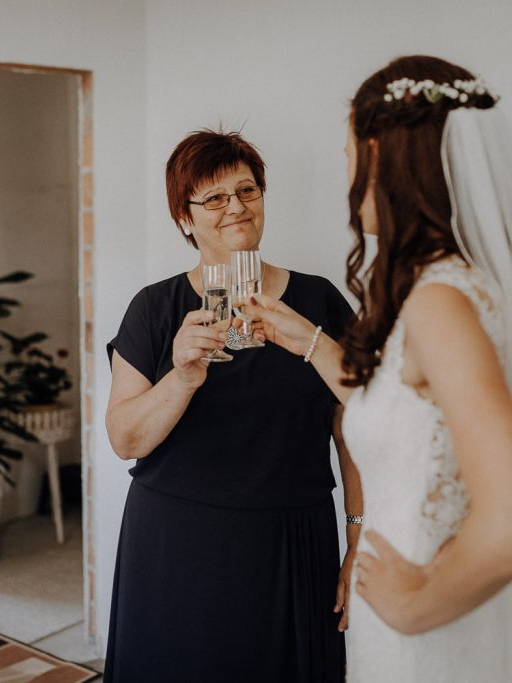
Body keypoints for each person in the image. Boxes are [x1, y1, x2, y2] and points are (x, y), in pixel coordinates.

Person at [248, 56, 512, 680]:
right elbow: (407, 416)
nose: (346, 172)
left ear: (381, 156)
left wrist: (413, 607)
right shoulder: (453, 287)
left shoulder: (439, 304)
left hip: (435, 636)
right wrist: (307, 339)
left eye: (349, 152)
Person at [104, 130, 361, 682]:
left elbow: (357, 430)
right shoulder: (154, 308)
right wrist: (182, 376)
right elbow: (125, 439)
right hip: (177, 540)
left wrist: (358, 539)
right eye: (214, 198)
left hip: (291, 540)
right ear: (185, 217)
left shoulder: (318, 301)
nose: (236, 208)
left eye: (247, 190)